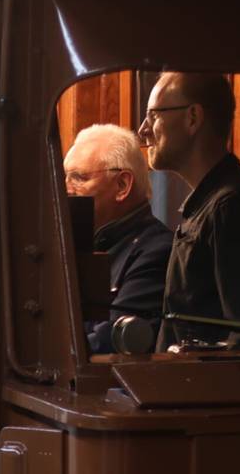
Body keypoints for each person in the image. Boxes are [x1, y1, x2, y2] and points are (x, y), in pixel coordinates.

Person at [138, 72, 240, 347]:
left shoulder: (235, 207)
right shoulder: (213, 204)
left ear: (193, 118)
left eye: (153, 115)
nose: (142, 130)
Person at [65, 124, 172, 354]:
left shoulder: (157, 252)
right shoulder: (76, 247)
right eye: (64, 178)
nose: (66, 190)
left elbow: (108, 343)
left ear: (122, 185)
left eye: (77, 178)